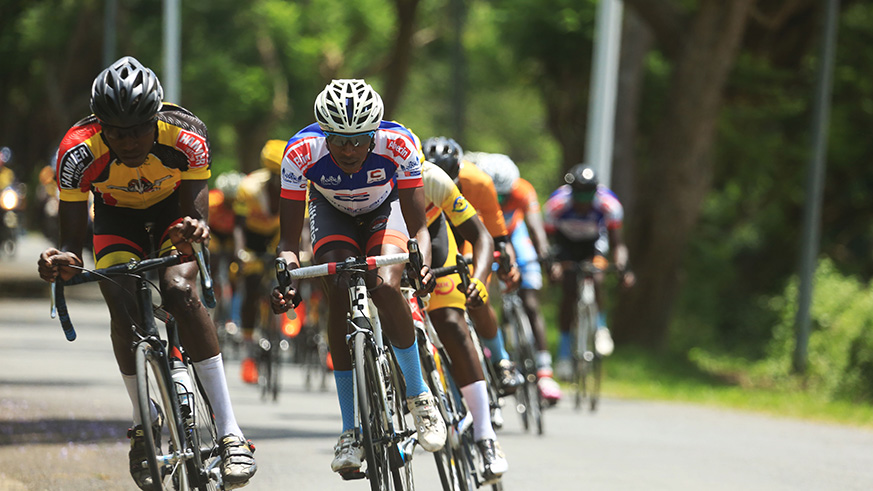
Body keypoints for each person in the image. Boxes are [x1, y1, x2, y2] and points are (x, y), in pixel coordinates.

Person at [36, 56, 256, 490]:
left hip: (175, 212)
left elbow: (195, 218)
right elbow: (73, 241)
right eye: (116, 131)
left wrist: (194, 231)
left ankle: (230, 432)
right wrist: (62, 261)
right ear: (100, 125)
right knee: (120, 300)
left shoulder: (187, 136)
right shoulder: (77, 152)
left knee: (178, 289)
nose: (128, 140)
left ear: (156, 118)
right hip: (117, 221)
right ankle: (143, 424)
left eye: (137, 128)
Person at [270, 79, 446, 476]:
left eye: (359, 140)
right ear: (324, 135)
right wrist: (286, 279)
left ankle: (419, 398)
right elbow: (287, 242)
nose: (349, 150)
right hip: (332, 212)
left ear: (374, 134)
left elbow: (419, 230)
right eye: (339, 140)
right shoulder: (300, 153)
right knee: (337, 288)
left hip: (386, 211)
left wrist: (422, 264)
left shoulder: (399, 144)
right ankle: (350, 429)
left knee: (383, 284)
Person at [416, 157, 508, 482]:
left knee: (451, 324)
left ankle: (485, 436)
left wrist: (479, 281)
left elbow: (483, 235)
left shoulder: (434, 179)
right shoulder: (363, 179)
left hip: (434, 235)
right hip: (390, 238)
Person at [422, 137, 523, 399]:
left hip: (466, 234)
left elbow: (497, 235)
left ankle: (501, 360)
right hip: (433, 233)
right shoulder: (414, 178)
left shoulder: (479, 182)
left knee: (476, 293)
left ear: (460, 169)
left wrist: (505, 262)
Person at [470, 152, 563, 405]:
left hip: (514, 234)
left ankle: (544, 372)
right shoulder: (475, 189)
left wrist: (545, 254)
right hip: (485, 236)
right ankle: (495, 353)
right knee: (480, 294)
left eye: (505, 196)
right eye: (496, 195)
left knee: (530, 301)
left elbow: (535, 225)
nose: (501, 200)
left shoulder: (522, 190)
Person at [544, 164, 635, 379]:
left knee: (597, 275)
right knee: (568, 291)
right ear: (571, 192)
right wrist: (553, 265)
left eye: (588, 196)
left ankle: (601, 328)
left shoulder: (609, 205)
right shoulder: (555, 206)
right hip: (565, 243)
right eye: (579, 196)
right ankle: (565, 354)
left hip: (594, 242)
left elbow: (617, 243)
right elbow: (548, 242)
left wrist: (623, 267)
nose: (584, 203)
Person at [233, 140, 284, 384]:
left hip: (277, 237)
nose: (281, 183)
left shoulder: (299, 187)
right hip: (252, 239)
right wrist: (240, 253)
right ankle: (248, 351)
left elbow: (303, 228)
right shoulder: (249, 187)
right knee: (251, 288)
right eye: (277, 177)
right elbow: (238, 226)